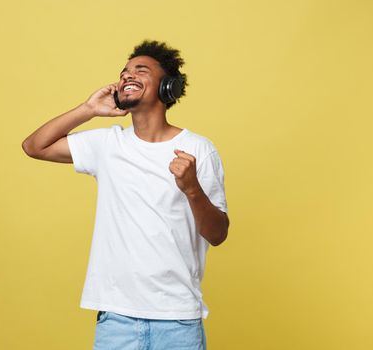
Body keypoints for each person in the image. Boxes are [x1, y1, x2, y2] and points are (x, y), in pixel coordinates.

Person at [22, 40, 229, 350]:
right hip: (116, 321)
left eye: (141, 70)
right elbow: (34, 146)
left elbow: (218, 233)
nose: (128, 76)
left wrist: (192, 189)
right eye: (124, 72)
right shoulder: (107, 145)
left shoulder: (199, 148)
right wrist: (88, 109)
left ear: (168, 87)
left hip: (177, 320)